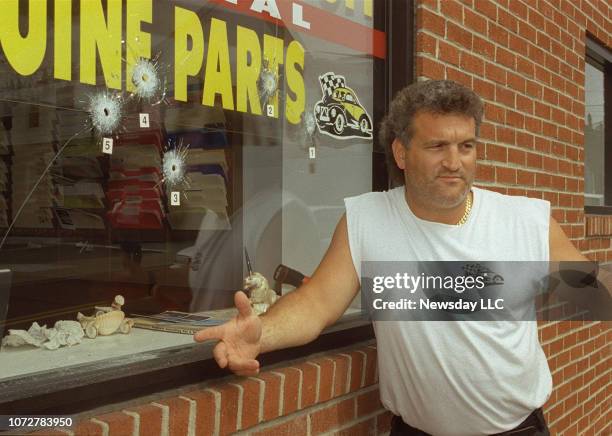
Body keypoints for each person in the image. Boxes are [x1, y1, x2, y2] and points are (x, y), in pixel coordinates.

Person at [194, 80, 607, 435]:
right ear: (402, 153)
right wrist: (260, 334)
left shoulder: (524, 222)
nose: (454, 162)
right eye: (437, 146)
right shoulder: (367, 219)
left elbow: (592, 290)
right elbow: (316, 303)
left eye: (466, 146)